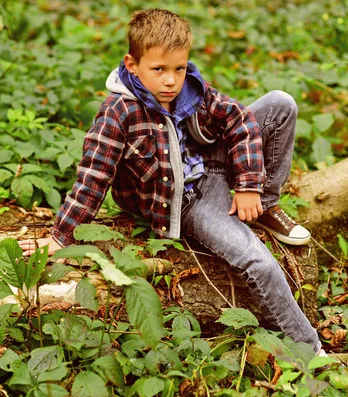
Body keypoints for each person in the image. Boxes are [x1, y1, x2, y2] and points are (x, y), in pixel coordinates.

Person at [19, 8, 321, 353]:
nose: (170, 81)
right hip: (189, 200)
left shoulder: (189, 89)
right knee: (258, 261)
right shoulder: (119, 112)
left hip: (211, 164)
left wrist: (249, 184)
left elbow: (238, 120)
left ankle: (264, 205)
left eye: (179, 69)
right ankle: (310, 350)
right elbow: (94, 175)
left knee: (281, 103)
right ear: (131, 65)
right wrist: (62, 235)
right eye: (159, 70)